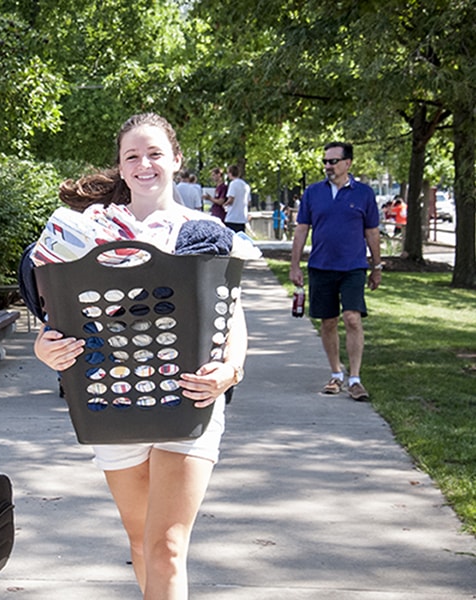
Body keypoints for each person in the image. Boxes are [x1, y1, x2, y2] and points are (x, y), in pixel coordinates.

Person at [33, 113, 248, 600]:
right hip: (114, 397)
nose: (144, 164)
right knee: (140, 542)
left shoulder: (204, 231)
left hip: (187, 394)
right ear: (121, 166)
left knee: (167, 546)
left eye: (154, 153)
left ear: (175, 159)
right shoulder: (88, 231)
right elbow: (60, 312)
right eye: (132, 155)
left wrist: (230, 372)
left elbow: (233, 316)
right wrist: (44, 346)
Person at [289, 141, 381, 402]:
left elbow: (372, 232)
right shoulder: (313, 193)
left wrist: (377, 266)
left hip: (353, 267)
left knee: (352, 318)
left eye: (333, 161)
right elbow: (301, 230)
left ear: (348, 163)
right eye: (325, 162)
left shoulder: (364, 193)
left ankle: (355, 379)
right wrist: (294, 265)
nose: (328, 166)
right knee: (328, 322)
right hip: (321, 266)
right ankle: (335, 374)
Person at [223, 164, 250, 232]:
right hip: (242, 217)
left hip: (232, 217)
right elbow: (248, 201)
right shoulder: (246, 185)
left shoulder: (233, 184)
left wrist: (225, 204)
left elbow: (231, 199)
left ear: (230, 173)